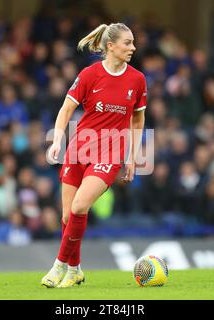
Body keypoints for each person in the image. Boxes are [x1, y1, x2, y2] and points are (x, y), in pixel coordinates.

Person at [40, 23, 147, 288]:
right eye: (127, 43)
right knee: (67, 217)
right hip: (79, 149)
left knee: (79, 206)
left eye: (133, 43)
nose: (132, 48)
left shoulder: (137, 79)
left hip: (111, 153)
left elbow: (137, 121)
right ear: (111, 46)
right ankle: (75, 269)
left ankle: (58, 267)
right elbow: (66, 109)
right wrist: (57, 139)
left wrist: (132, 157)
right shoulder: (89, 74)